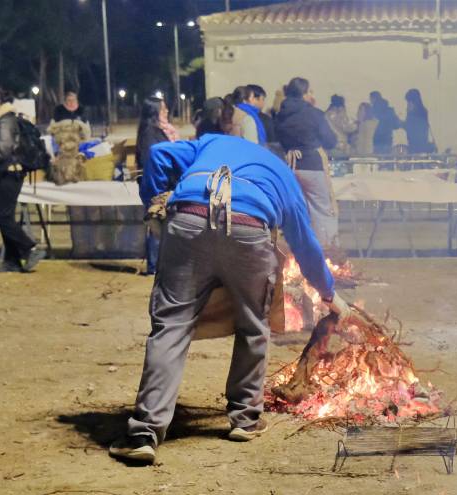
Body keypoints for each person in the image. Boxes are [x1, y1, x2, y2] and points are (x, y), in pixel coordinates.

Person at [108, 102, 347, 464]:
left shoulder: (209, 144)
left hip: (188, 221)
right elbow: (305, 243)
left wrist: (153, 204)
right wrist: (328, 291)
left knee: (170, 326)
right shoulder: (281, 172)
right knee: (253, 325)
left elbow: (157, 154)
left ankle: (144, 431)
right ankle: (245, 420)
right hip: (249, 231)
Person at [0, 86, 45, 273]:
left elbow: (1, 150)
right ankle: (13, 260)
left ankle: (30, 248)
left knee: (2, 217)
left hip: (8, 174)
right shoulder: (2, 120)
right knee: (4, 216)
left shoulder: (4, 121)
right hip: (8, 173)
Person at [275, 77, 340, 251]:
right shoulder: (313, 113)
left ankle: (301, 252)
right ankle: (327, 252)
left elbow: (278, 138)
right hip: (313, 165)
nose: (312, 95)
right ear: (303, 93)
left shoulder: (280, 115)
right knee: (321, 210)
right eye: (310, 91)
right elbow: (330, 140)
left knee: (299, 211)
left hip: (291, 165)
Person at [136, 95, 178, 276]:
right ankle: (154, 267)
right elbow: (150, 161)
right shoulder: (150, 134)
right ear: (154, 112)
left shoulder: (160, 131)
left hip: (164, 185)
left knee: (163, 226)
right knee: (156, 226)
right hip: (157, 187)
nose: (166, 111)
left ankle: (161, 265)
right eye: (163, 109)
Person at [403, 88, 436, 154]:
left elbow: (413, 130)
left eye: (409, 102)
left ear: (413, 102)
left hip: (417, 149)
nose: (407, 105)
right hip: (420, 147)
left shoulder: (415, 115)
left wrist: (401, 123)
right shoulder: (422, 112)